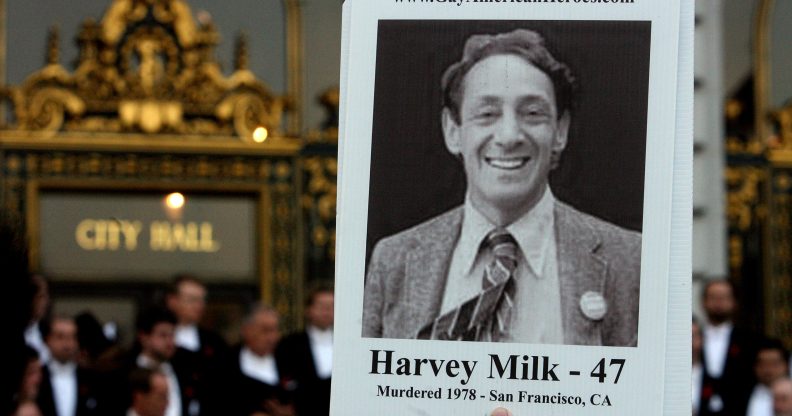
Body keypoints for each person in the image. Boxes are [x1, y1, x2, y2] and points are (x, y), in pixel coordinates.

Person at [362, 28, 641, 345]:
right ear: (453, 131)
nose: (509, 136)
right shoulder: (393, 261)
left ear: (560, 131)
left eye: (533, 113)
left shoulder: (630, 261)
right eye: (487, 114)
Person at [164, 275, 228, 414]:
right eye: (192, 300)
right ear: (172, 301)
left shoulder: (214, 342)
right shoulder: (159, 340)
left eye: (202, 300)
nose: (199, 306)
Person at [699, 279, 758, 415]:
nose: (718, 302)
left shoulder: (749, 341)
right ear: (703, 301)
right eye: (713, 297)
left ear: (735, 302)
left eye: (724, 297)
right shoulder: (693, 337)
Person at [227, 305, 295, 416]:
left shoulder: (289, 360)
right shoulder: (227, 363)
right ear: (246, 330)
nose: (272, 338)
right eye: (266, 330)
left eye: (275, 330)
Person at [278, 285, 333, 415]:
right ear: (308, 310)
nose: (327, 311)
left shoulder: (347, 344)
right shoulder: (290, 344)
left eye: (331, 306)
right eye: (321, 306)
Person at [37, 316, 102, 416]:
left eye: (72, 337)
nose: (67, 344)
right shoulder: (37, 377)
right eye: (60, 337)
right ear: (47, 340)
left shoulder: (90, 378)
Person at [746, 339, 790, 416]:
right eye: (763, 364)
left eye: (774, 364)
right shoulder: (740, 394)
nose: (768, 370)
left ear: (786, 366)